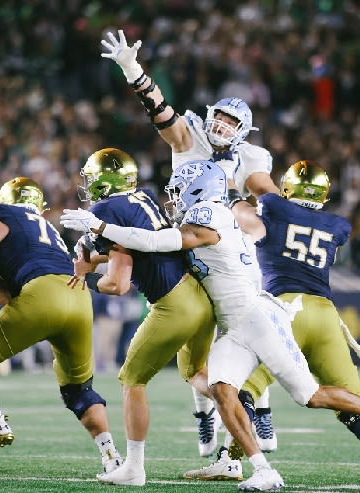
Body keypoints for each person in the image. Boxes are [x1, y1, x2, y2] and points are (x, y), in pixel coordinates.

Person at [60, 159, 360, 491]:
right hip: (234, 328)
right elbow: (151, 248)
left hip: (257, 319)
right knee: (222, 389)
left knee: (309, 396)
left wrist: (100, 225)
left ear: (199, 188)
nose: (175, 196)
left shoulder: (209, 214)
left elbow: (157, 241)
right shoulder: (203, 216)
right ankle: (262, 469)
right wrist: (93, 252)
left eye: (181, 188)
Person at [183, 160, 360, 484]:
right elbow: (329, 254)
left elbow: (242, 207)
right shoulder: (335, 224)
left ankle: (230, 460)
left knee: (243, 390)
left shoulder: (273, 207)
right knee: (349, 395)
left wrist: (228, 179)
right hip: (324, 314)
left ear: (288, 188)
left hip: (283, 311)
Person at [101, 29, 279, 455]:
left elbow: (268, 199)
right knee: (195, 352)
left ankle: (260, 409)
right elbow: (159, 111)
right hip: (186, 248)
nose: (221, 126)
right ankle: (205, 416)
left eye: (232, 123)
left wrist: (257, 212)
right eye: (219, 117)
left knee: (236, 337)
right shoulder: (193, 135)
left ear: (244, 132)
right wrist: (133, 69)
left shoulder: (251, 159)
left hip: (223, 252)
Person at [0, 177, 122, 476]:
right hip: (78, 296)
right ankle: (112, 457)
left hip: (41, 295)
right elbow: (7, 295)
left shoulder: (5, 215)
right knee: (79, 390)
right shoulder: (49, 231)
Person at [64, 147, 217, 486]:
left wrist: (86, 279)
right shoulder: (142, 197)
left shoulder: (105, 209)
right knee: (196, 373)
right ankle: (243, 409)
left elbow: (118, 284)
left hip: (172, 304)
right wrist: (93, 255)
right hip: (199, 297)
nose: (89, 185)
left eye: (92, 179)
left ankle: (133, 468)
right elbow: (131, 246)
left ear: (105, 181)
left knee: (132, 380)